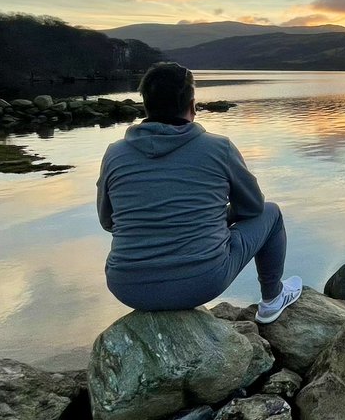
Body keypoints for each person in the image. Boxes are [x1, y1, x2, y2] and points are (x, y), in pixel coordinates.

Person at [96, 62, 301, 323]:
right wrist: (219, 217)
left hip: (127, 286)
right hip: (202, 282)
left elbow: (108, 222)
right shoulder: (218, 148)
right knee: (272, 212)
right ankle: (272, 299)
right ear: (192, 105)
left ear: (145, 106)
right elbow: (253, 208)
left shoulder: (115, 154)